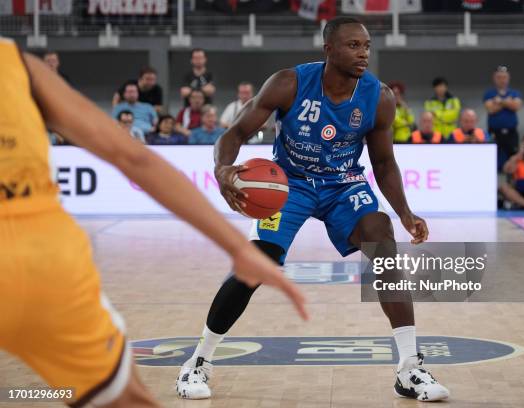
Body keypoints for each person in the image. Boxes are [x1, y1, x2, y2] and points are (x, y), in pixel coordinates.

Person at [0, 39, 307, 407]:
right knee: (124, 398)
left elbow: (132, 157)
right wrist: (237, 247)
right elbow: (132, 157)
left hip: (44, 269)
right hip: (44, 266)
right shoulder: (14, 64)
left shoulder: (18, 64)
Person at [176, 17, 449, 402]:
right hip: (289, 185)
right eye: (353, 45)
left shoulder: (378, 96)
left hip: (344, 184)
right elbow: (234, 134)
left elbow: (384, 164)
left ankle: (410, 369)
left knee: (382, 238)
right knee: (257, 263)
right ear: (329, 50)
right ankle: (197, 363)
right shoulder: (289, 83)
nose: (363, 53)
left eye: (367, 46)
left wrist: (405, 212)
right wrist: (222, 169)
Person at [483, 66, 522, 170]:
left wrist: (500, 101)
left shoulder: (515, 93)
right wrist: (508, 102)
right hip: (495, 132)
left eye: (504, 77)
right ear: (494, 78)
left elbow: (516, 106)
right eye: (499, 77)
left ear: (508, 78)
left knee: (513, 160)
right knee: (493, 159)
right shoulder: (489, 93)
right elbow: (491, 109)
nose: (502, 80)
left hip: (511, 133)